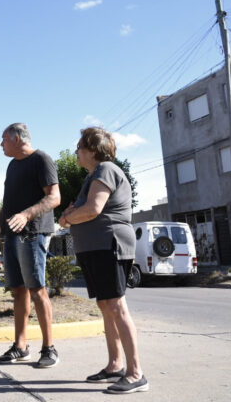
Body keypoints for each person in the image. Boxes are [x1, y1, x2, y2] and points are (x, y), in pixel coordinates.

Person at [58, 127, 148, 394]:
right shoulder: (94, 176)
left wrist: (66, 219)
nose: (76, 153)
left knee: (116, 305)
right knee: (106, 304)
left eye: (79, 148)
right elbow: (82, 208)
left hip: (109, 245)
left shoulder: (105, 169)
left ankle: (135, 374)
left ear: (92, 150)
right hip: (95, 247)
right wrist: (72, 214)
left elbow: (92, 209)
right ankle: (114, 366)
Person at [0, 123, 61, 368]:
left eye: (3, 139)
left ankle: (49, 348)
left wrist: (26, 215)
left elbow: (54, 197)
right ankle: (20, 346)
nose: (1, 144)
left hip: (33, 234)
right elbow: (9, 204)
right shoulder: (12, 166)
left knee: (37, 289)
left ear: (16, 138)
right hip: (12, 235)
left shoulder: (42, 160)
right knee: (18, 290)